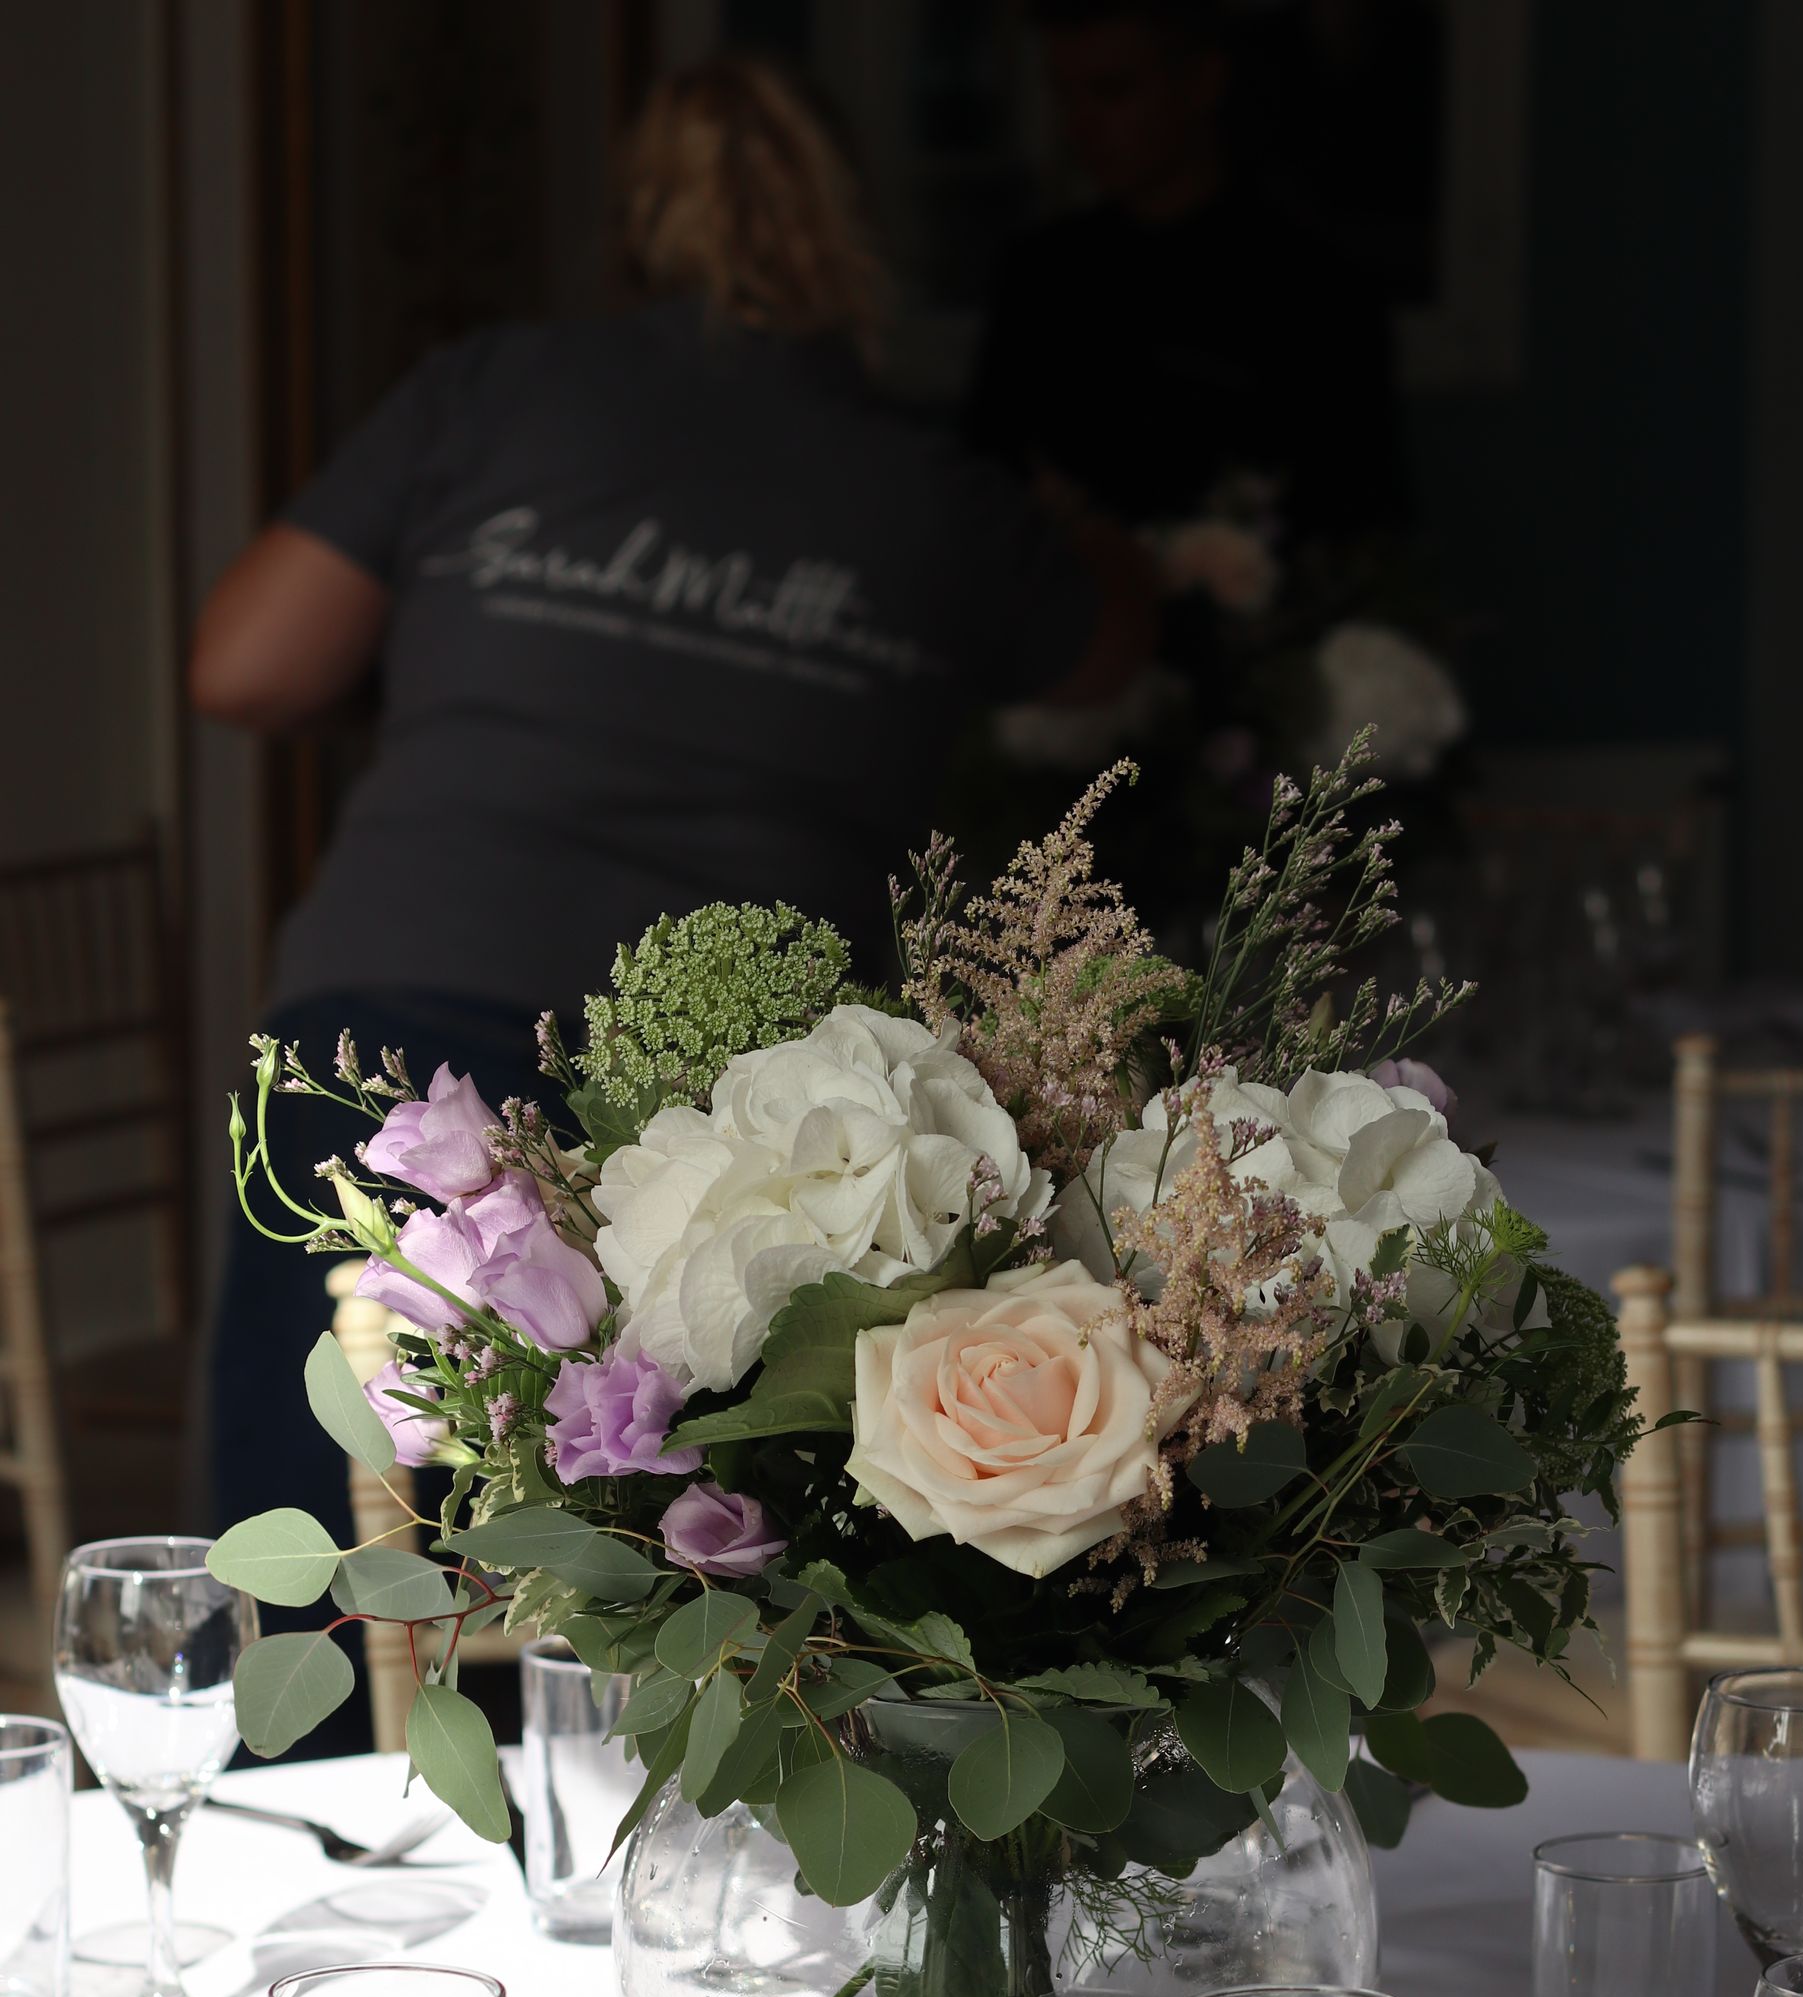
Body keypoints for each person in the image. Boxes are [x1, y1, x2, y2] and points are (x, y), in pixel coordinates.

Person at [193, 54, 1152, 1552]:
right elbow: (1108, 657)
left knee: (321, 1527)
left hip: (399, 1010)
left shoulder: (492, 393)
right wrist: (1088, 532)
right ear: (857, 235)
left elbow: (245, 667)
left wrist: (447, 685)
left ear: (635, 223)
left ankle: (295, 1704)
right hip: (726, 1101)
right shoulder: (944, 494)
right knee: (672, 1562)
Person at [966, 0, 1407, 539]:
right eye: (1063, 93)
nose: (1080, 125)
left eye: (1112, 91)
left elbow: (1359, 520)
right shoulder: (1041, 278)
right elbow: (988, 485)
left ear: (1202, 82)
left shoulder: (1312, 290)